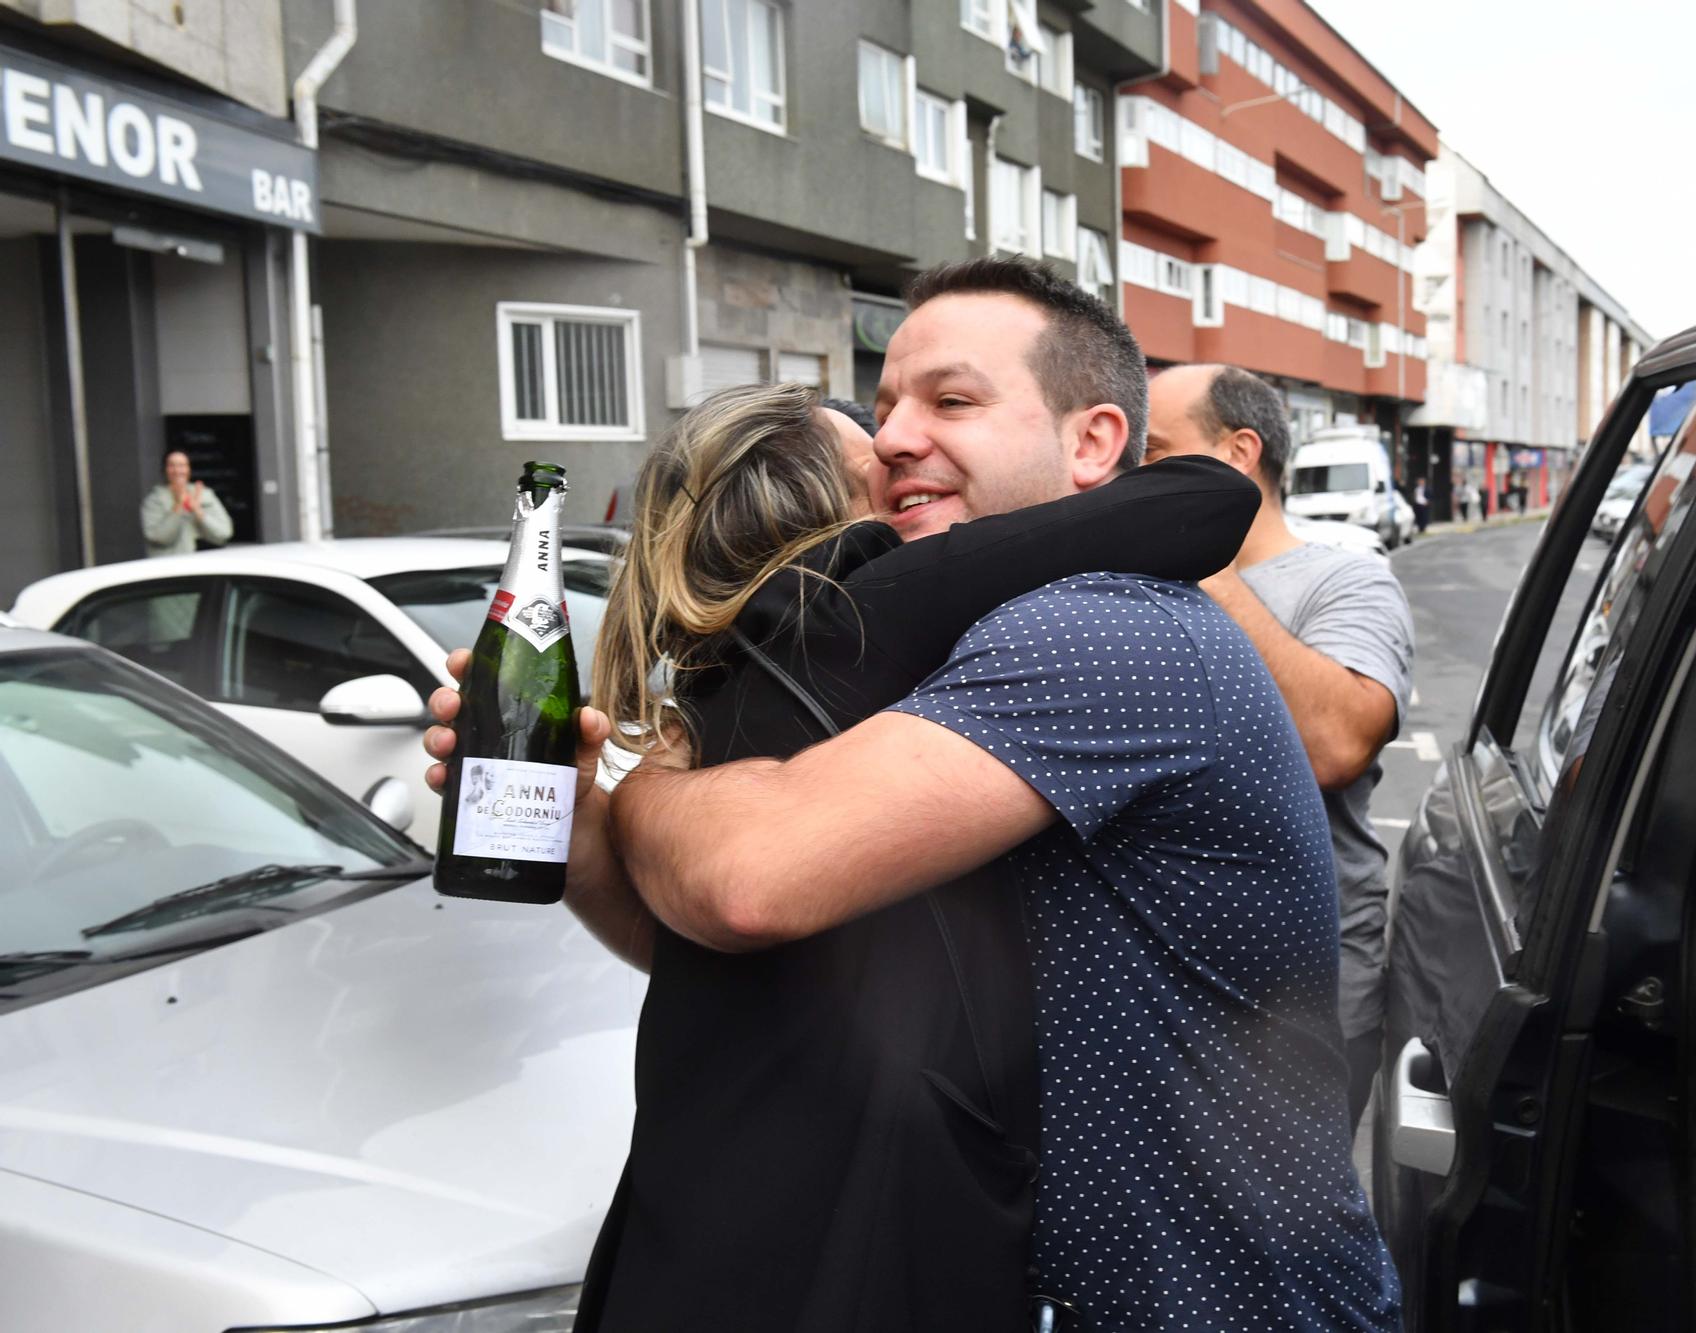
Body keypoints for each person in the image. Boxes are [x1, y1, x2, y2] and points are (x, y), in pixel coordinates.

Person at [426, 257, 1403, 1330]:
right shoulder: (948, 651)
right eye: (886, 403)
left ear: (1091, 444)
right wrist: (581, 832)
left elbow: (746, 880)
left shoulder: (1106, 628)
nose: (891, 435)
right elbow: (752, 965)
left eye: (950, 400)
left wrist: (650, 769)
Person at [1142, 363, 1416, 1129]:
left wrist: (1208, 568)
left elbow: (1334, 744)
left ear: (1238, 455)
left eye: (1154, 452)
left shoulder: (1346, 582)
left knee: (1287, 1235)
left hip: (1298, 996)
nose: (1128, 476)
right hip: (1164, 989)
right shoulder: (1130, 581)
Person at [140, 450, 233, 557]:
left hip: (206, 564)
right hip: (172, 566)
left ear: (189, 469)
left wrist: (198, 511)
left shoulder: (204, 494)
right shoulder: (154, 501)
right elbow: (159, 538)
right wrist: (178, 506)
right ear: (165, 469)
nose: (177, 470)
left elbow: (224, 533)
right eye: (172, 465)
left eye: (182, 465)